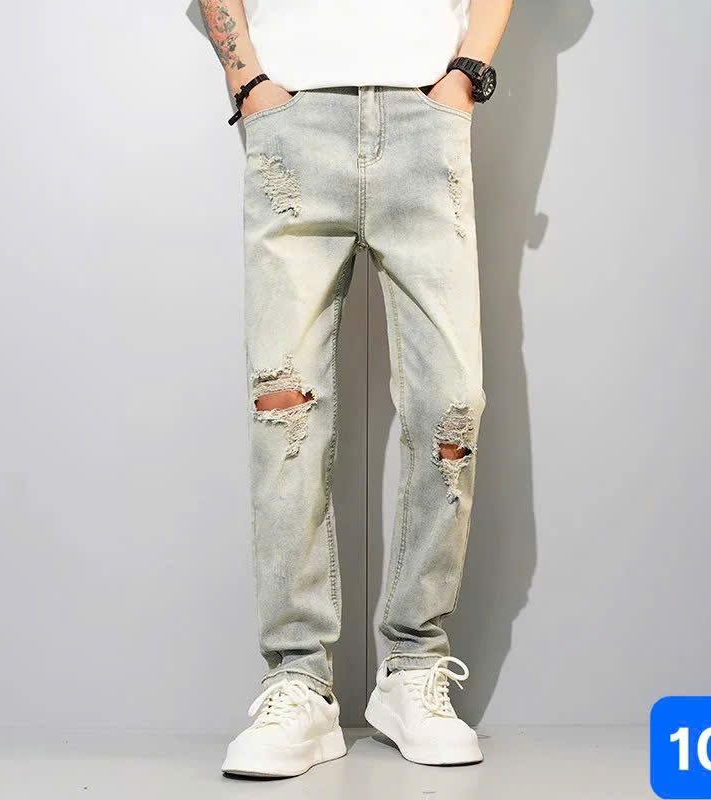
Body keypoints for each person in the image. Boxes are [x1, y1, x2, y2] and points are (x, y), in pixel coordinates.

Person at [198, 0, 513, 778]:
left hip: (424, 116)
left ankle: (413, 667)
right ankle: (297, 680)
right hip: (292, 117)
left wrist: (464, 75)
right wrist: (249, 81)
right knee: (284, 405)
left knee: (451, 405)